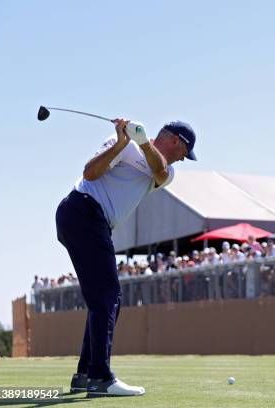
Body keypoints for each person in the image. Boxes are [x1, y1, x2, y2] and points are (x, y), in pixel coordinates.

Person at [56, 118, 197, 397]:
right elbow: (90, 173)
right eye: (185, 152)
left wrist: (142, 142)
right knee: (107, 298)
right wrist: (121, 143)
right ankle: (100, 377)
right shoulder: (124, 144)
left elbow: (158, 170)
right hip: (81, 210)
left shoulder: (166, 172)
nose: (183, 159)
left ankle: (85, 374)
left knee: (105, 300)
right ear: (176, 142)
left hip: (91, 220)